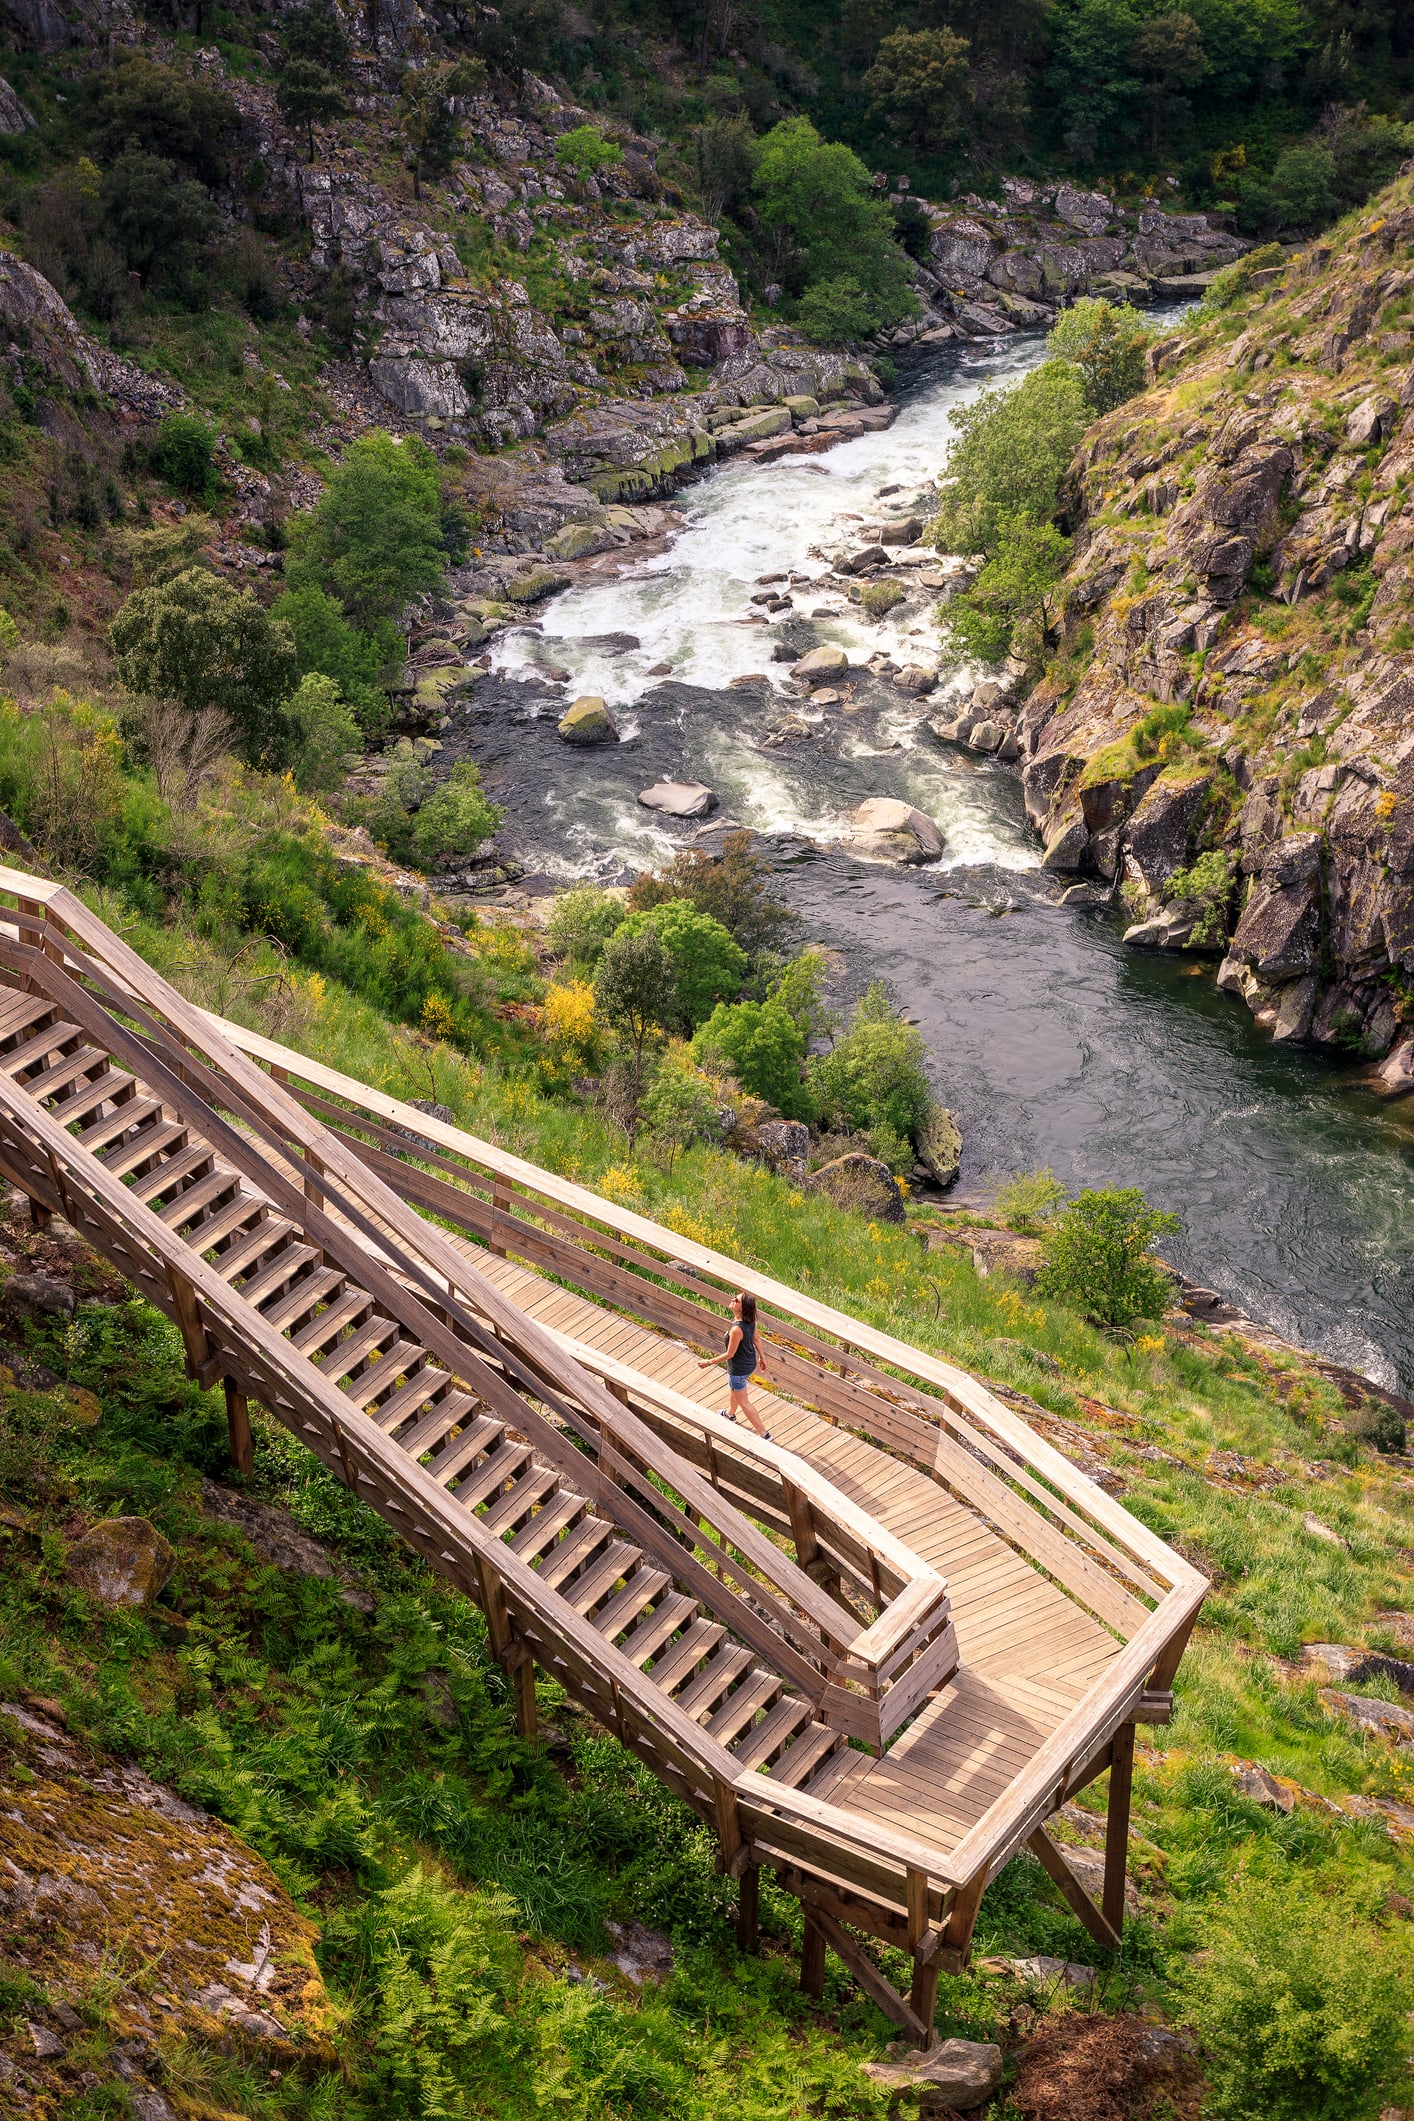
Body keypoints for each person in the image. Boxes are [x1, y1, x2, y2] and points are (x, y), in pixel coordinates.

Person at [699, 1289, 771, 1439]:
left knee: (744, 1401)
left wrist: (708, 1362)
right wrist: (762, 1358)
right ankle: (730, 1414)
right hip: (749, 1364)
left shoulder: (736, 1329)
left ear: (742, 1308)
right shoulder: (751, 1322)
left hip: (738, 1370)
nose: (733, 1300)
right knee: (735, 1390)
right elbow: (756, 1339)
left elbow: (730, 1354)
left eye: (736, 1300)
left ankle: (764, 1434)